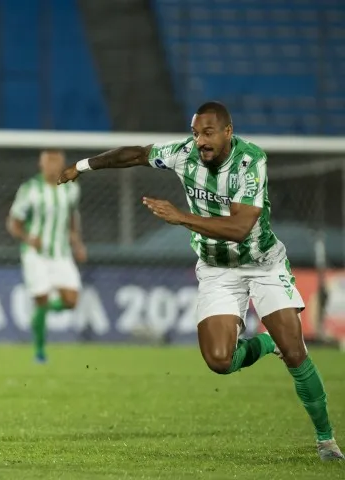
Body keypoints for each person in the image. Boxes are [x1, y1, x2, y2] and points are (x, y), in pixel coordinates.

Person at [57, 101, 343, 462]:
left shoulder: (249, 162)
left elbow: (240, 229)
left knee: (297, 353)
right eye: (195, 133)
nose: (200, 141)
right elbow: (135, 154)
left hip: (262, 264)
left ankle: (326, 440)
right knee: (219, 360)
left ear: (227, 132)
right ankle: (266, 344)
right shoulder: (184, 154)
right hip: (217, 269)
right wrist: (83, 166)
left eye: (207, 134)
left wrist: (181, 217)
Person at [6, 149, 86, 363]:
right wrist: (28, 238)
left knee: (71, 301)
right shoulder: (30, 189)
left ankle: (37, 317)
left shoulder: (71, 189)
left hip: (61, 253)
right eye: (48, 163)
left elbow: (72, 218)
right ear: (42, 165)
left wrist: (77, 243)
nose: (52, 167)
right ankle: (40, 352)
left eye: (56, 162)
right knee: (41, 299)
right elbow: (13, 223)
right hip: (35, 254)